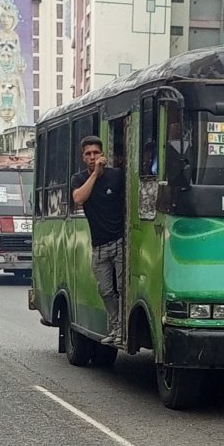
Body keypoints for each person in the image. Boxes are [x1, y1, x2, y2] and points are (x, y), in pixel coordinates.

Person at [71, 136, 125, 345]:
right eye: (88, 154)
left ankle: (121, 331)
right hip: (99, 246)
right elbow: (78, 199)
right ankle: (115, 327)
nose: (92, 157)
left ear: (103, 154)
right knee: (105, 290)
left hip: (119, 241)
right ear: (83, 157)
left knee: (122, 288)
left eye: (96, 153)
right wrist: (94, 174)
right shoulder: (79, 179)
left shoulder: (117, 176)